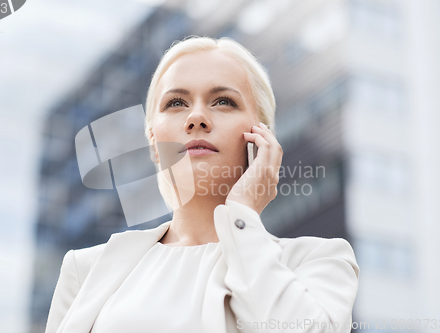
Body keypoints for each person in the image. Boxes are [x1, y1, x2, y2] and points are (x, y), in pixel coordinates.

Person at [44, 35, 359, 333]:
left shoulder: (317, 261)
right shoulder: (85, 270)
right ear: (154, 143)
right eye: (176, 103)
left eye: (223, 101)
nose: (196, 118)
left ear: (261, 137)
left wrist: (242, 213)